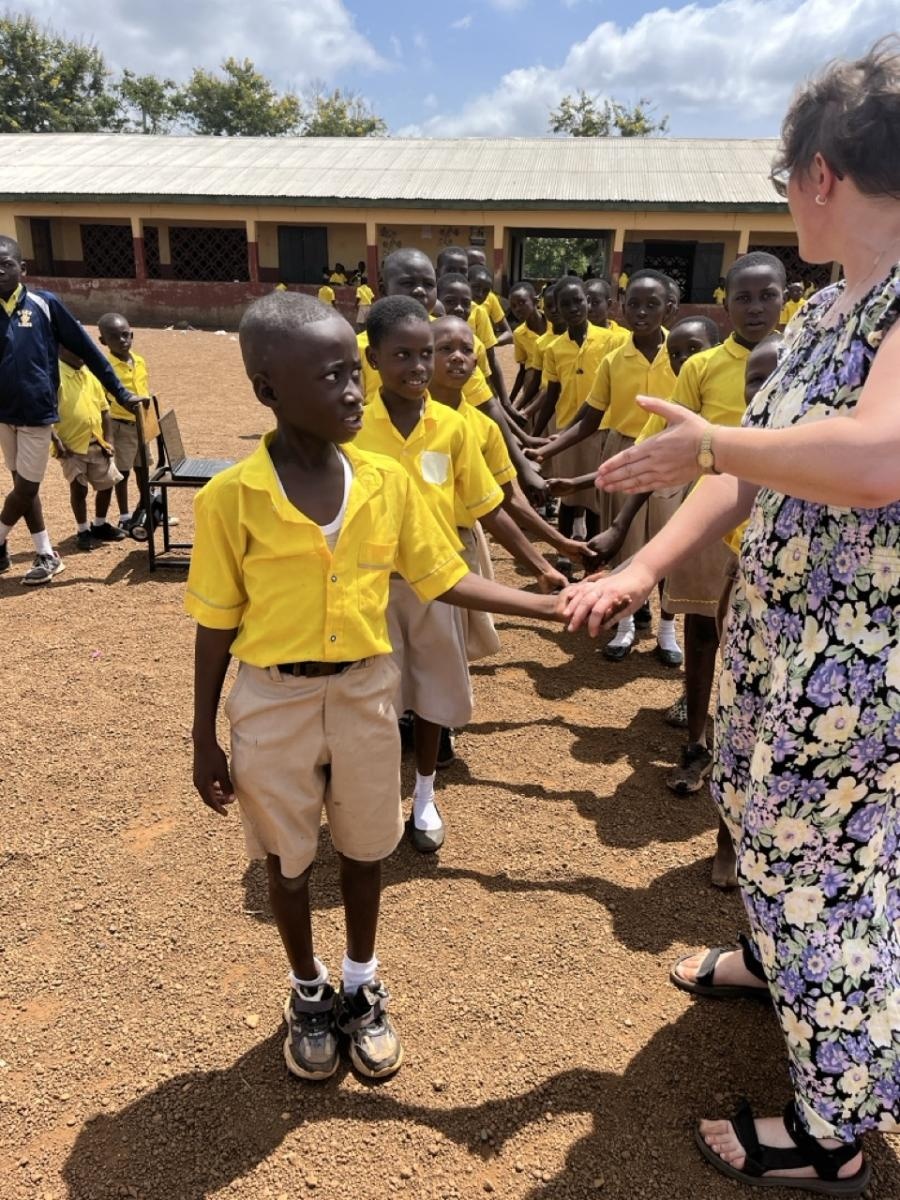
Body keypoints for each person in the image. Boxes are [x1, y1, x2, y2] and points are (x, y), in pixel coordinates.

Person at [564, 39, 900, 1192]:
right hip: (786, 640)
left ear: (819, 174)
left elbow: (875, 458)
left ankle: (833, 1132)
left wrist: (711, 438)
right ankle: (774, 961)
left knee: (833, 865)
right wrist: (643, 570)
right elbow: (748, 470)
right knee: (760, 813)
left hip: (856, 670)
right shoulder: (821, 315)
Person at [188, 291, 566, 1083]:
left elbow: (442, 574)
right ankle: (307, 991)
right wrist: (202, 738)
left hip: (366, 695)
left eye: (352, 375)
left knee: (366, 849)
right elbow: (216, 623)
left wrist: (545, 602)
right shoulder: (231, 500)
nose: (355, 391)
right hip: (272, 701)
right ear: (268, 389)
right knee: (288, 862)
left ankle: (361, 983)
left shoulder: (386, 483)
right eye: (333, 378)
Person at [356, 296, 564, 852]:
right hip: (368, 589)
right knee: (371, 699)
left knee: (431, 697)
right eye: (403, 355)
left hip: (439, 585)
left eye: (425, 353)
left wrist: (540, 566)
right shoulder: (351, 429)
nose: (419, 366)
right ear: (373, 360)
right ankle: (373, 800)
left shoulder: (452, 427)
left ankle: (424, 793)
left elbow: (489, 507)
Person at [635, 253, 785, 798]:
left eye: (767, 295)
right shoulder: (701, 367)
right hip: (712, 516)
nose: (754, 307)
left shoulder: (799, 362)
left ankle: (751, 755)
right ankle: (696, 743)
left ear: (784, 298)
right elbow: (669, 443)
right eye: (742, 297)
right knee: (703, 631)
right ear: (725, 302)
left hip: (777, 526)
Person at [534, 270, 680, 659]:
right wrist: (546, 450)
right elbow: (589, 417)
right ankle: (626, 625)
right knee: (624, 543)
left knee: (669, 540)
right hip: (624, 451)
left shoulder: (683, 353)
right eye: (634, 304)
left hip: (671, 454)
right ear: (621, 307)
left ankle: (667, 631)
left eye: (652, 305)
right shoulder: (615, 359)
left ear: (670, 308)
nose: (642, 312)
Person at [0, 235, 146, 584]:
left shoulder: (44, 304)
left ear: (23, 268)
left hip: (37, 414)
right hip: (4, 415)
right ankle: (45, 554)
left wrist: (119, 391)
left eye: (5, 264)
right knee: (23, 486)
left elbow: (88, 350)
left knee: (26, 488)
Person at [527, 276, 627, 570]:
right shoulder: (555, 348)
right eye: (564, 304)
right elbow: (551, 394)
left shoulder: (612, 340)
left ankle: (593, 553)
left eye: (578, 301)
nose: (573, 308)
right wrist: (535, 436)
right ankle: (564, 553)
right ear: (554, 309)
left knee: (597, 494)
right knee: (569, 496)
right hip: (567, 430)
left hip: (603, 428)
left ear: (588, 302)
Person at [52, 347, 125, 550]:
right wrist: (56, 441)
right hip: (70, 447)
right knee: (79, 488)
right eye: (75, 347)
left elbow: (105, 410)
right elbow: (45, 412)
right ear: (60, 350)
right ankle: (82, 530)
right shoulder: (54, 376)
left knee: (107, 483)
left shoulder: (89, 374)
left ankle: (99, 524)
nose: (81, 352)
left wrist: (108, 439)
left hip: (97, 443)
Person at [98, 312, 155, 532]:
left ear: (132, 335)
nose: (122, 341)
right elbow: (104, 398)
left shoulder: (139, 360)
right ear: (103, 342)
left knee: (143, 470)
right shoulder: (105, 367)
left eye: (125, 335)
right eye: (114, 337)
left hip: (141, 423)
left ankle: (147, 509)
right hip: (120, 425)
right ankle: (124, 516)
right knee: (122, 473)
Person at [508, 282, 547, 407]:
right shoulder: (519, 334)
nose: (517, 309)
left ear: (536, 301)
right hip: (533, 382)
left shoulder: (555, 324)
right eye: (513, 306)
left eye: (521, 303)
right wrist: (510, 401)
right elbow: (522, 370)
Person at [468, 264, 513, 346]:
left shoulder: (490, 299)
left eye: (486, 291)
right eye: (476, 288)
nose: (480, 294)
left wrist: (489, 343)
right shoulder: (453, 306)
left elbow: (509, 333)